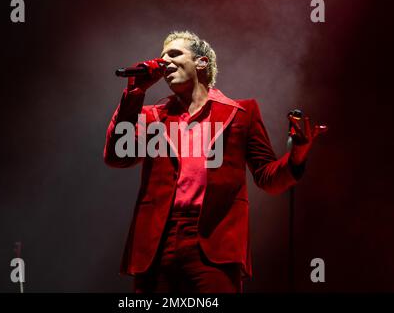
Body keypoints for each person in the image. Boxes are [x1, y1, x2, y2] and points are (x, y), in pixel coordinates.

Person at [103, 31, 327, 293]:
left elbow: (268, 178)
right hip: (157, 242)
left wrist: (298, 153)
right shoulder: (153, 116)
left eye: (174, 54)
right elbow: (117, 156)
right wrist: (135, 92)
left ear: (202, 63)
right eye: (161, 58)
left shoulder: (241, 113)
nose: (164, 63)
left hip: (213, 242)